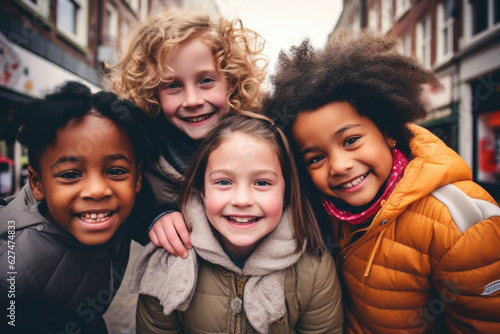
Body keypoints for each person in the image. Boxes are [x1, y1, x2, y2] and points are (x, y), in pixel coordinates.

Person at [263, 30, 500, 333]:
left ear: (387, 132)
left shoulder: (459, 222)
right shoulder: (320, 211)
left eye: (350, 140)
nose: (339, 166)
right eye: (315, 158)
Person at [129, 114, 344, 333]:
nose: (242, 200)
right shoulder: (168, 261)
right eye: (223, 182)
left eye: (262, 182)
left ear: (286, 193)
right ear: (202, 191)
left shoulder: (315, 269)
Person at [105, 9, 268, 258]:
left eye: (206, 81)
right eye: (173, 86)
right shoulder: (141, 151)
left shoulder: (264, 142)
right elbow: (124, 202)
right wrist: (152, 218)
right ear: (152, 93)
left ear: (231, 81)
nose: (192, 100)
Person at [0, 81, 157, 333]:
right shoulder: (12, 272)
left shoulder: (123, 214)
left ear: (137, 179)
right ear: (38, 184)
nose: (97, 191)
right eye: (71, 174)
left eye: (116, 171)